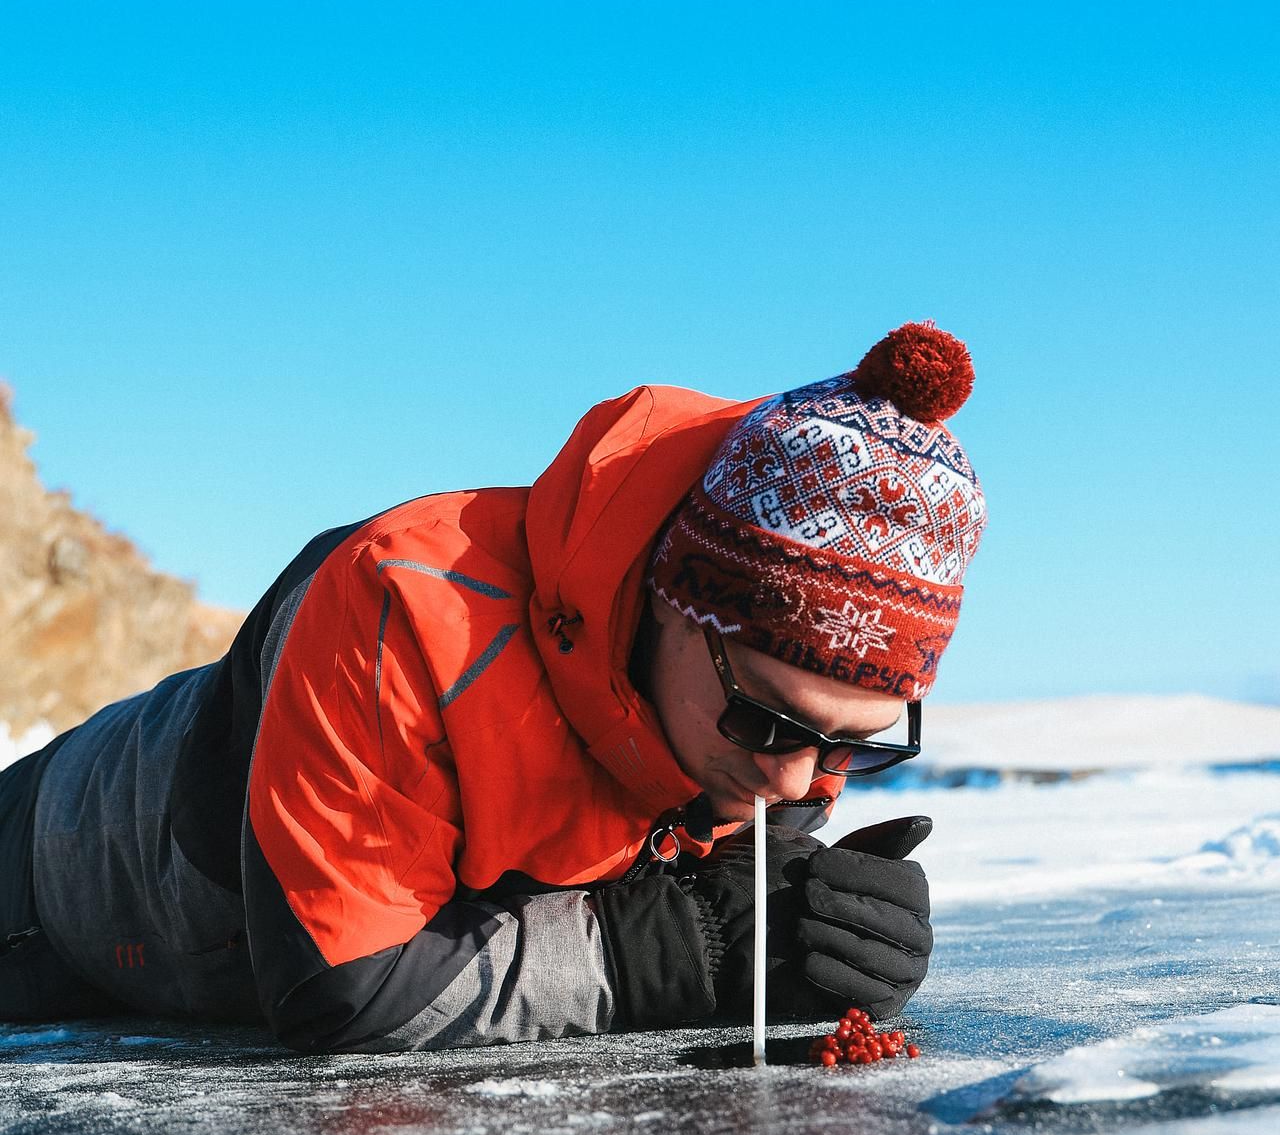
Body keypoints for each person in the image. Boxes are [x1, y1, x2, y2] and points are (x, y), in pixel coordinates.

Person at [0, 323, 986, 1052]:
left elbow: (713, 854)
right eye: (768, 722)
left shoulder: (770, 731)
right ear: (670, 601)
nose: (798, 782)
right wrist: (666, 956)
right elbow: (342, 982)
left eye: (858, 744)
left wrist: (814, 928)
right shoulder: (409, 608)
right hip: (62, 870)